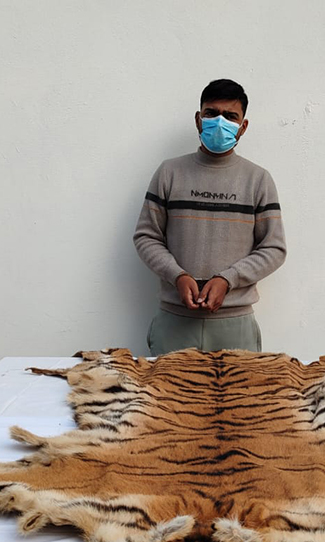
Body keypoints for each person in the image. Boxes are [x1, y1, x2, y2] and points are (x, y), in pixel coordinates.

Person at [133, 79, 287, 356]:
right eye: (211, 113)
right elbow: (146, 236)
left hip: (236, 325)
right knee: (166, 387)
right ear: (198, 119)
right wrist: (178, 276)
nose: (219, 122)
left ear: (243, 126)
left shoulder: (258, 180)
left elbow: (274, 248)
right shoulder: (169, 173)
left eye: (230, 116)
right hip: (174, 322)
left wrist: (228, 280)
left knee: (243, 388)